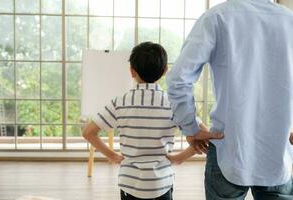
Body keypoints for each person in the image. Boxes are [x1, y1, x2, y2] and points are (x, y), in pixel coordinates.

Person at [166, 0, 293, 199]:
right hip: (278, 151)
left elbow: (178, 79)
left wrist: (190, 127)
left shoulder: (217, 17)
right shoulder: (289, 20)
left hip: (229, 147)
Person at [83, 42, 208, 200]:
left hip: (130, 183)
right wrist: (180, 157)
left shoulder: (120, 102)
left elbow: (88, 133)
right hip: (161, 183)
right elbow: (203, 133)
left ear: (132, 71)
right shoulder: (173, 104)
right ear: (165, 71)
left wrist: (112, 155)